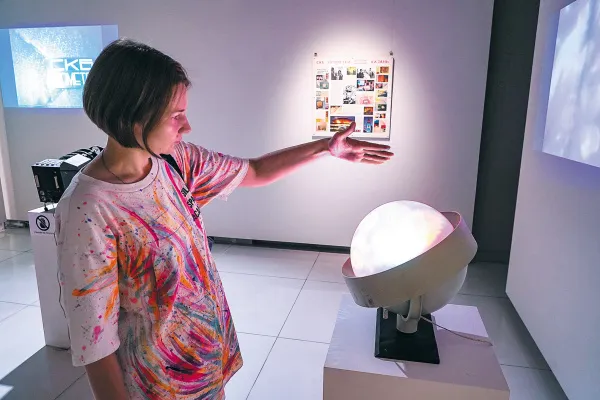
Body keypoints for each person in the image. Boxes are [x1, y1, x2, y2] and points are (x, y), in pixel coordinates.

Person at [56, 38, 393, 400]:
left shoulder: (174, 161)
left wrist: (326, 147)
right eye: (175, 115)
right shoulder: (89, 209)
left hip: (207, 367)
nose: (186, 126)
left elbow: (255, 170)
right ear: (132, 115)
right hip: (159, 387)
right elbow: (95, 342)